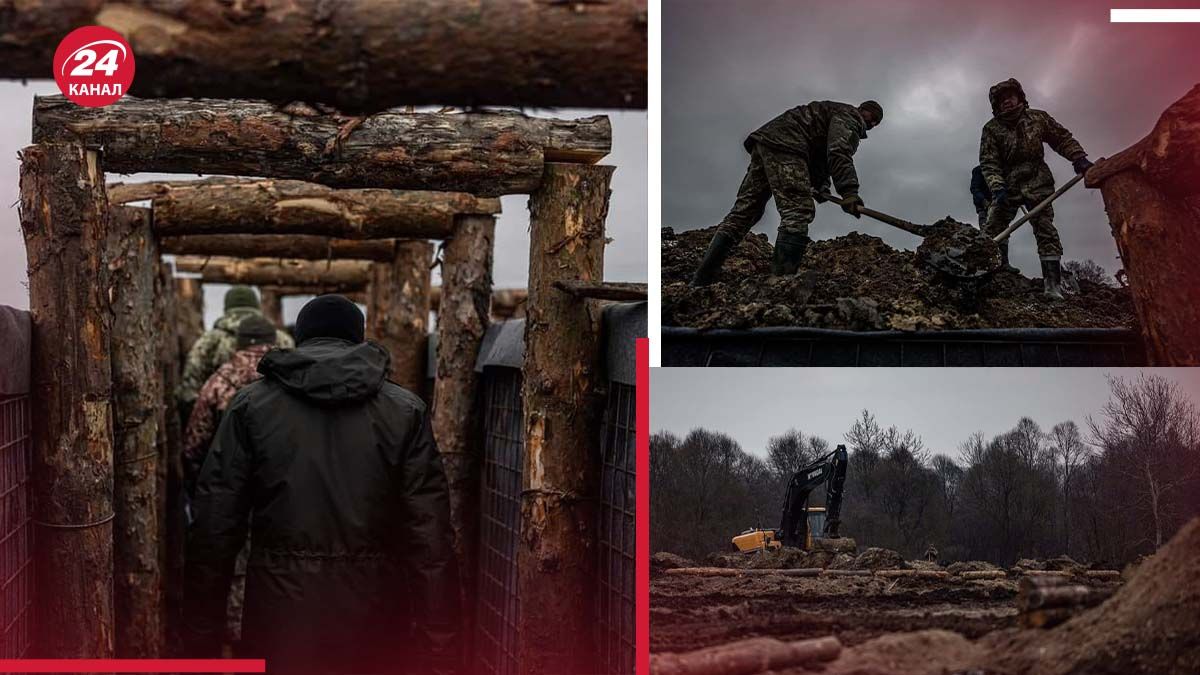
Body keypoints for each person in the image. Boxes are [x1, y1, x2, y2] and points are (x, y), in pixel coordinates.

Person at [184, 295, 459, 674]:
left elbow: (214, 526)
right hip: (374, 618)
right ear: (358, 338)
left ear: (301, 338)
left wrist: (200, 638)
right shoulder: (405, 411)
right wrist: (440, 647)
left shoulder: (251, 407)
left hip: (279, 618)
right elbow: (430, 538)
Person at [690, 99, 884, 285]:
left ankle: (701, 282)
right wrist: (849, 191)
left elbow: (820, 158)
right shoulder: (850, 117)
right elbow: (838, 151)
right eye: (872, 117)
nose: (872, 123)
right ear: (862, 110)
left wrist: (821, 187)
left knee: (745, 212)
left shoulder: (834, 113)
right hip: (788, 145)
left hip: (767, 142)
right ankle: (780, 283)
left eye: (876, 122)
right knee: (798, 211)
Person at [181, 315, 277, 650]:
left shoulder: (218, 382)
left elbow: (193, 445)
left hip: (226, 496)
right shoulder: (289, 382)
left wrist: (201, 490)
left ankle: (235, 645)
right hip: (279, 497)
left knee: (230, 571)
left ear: (238, 343)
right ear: (273, 340)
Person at [978, 78, 1093, 299]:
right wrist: (997, 188)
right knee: (993, 228)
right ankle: (984, 278)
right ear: (997, 105)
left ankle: (1052, 286)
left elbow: (1061, 138)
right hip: (1008, 185)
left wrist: (1078, 157)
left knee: (1045, 229)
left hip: (1038, 181)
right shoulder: (992, 129)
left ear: (1020, 97)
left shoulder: (1038, 118)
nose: (1007, 102)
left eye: (1010, 97)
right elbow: (988, 162)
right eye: (1002, 100)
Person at [177, 285, 293, 423]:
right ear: (256, 307)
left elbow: (188, 391)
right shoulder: (283, 340)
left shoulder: (208, 341)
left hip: (223, 425)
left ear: (227, 308)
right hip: (277, 423)